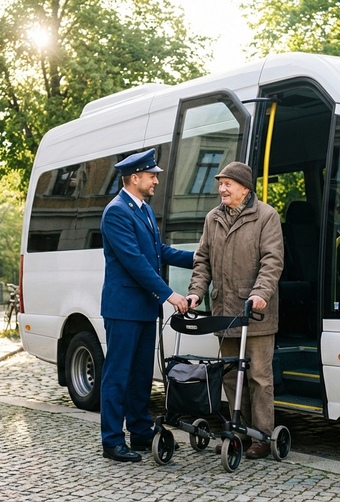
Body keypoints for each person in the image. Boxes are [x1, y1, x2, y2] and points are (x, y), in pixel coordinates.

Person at [99, 148, 194, 462]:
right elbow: (136, 263)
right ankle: (112, 440)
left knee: (140, 375)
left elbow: (159, 251)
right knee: (117, 375)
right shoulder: (116, 212)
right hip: (123, 309)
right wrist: (171, 295)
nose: (156, 180)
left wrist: (199, 258)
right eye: (152, 175)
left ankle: (140, 433)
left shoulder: (144, 210)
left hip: (142, 308)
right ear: (134, 177)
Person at [186, 161, 284, 459]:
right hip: (224, 312)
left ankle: (263, 436)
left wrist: (260, 293)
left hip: (254, 313)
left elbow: (272, 260)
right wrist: (195, 292)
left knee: (258, 377)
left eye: (227, 183)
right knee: (230, 376)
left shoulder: (266, 216)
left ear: (245, 188)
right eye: (220, 183)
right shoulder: (213, 218)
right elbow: (202, 261)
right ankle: (238, 432)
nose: (222, 189)